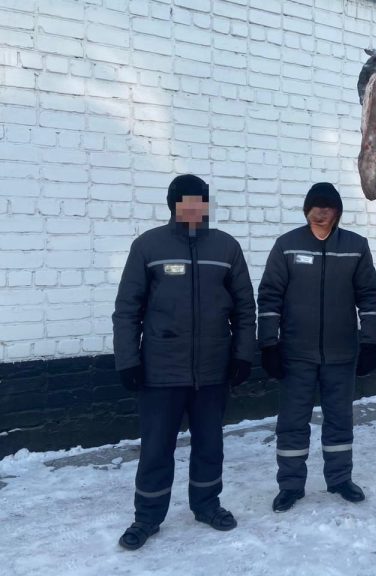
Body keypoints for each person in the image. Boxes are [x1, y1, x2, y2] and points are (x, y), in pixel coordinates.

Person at [112, 174, 256, 550]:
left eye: (200, 200)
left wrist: (243, 354)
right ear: (173, 204)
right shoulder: (148, 247)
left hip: (212, 370)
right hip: (160, 371)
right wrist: (128, 360)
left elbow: (244, 308)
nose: (193, 207)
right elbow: (128, 309)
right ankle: (147, 518)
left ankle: (207, 504)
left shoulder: (226, 248)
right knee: (156, 448)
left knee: (210, 445)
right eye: (185, 200)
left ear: (206, 204)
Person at [257, 182, 376, 513]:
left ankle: (340, 479)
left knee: (340, 419)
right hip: (295, 354)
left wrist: (370, 341)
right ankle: (291, 485)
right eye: (316, 204)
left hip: (341, 354)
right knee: (292, 421)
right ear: (306, 209)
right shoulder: (287, 246)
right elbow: (269, 297)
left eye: (329, 205)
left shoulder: (356, 247)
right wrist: (268, 343)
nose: (322, 210)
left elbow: (369, 296)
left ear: (338, 211)